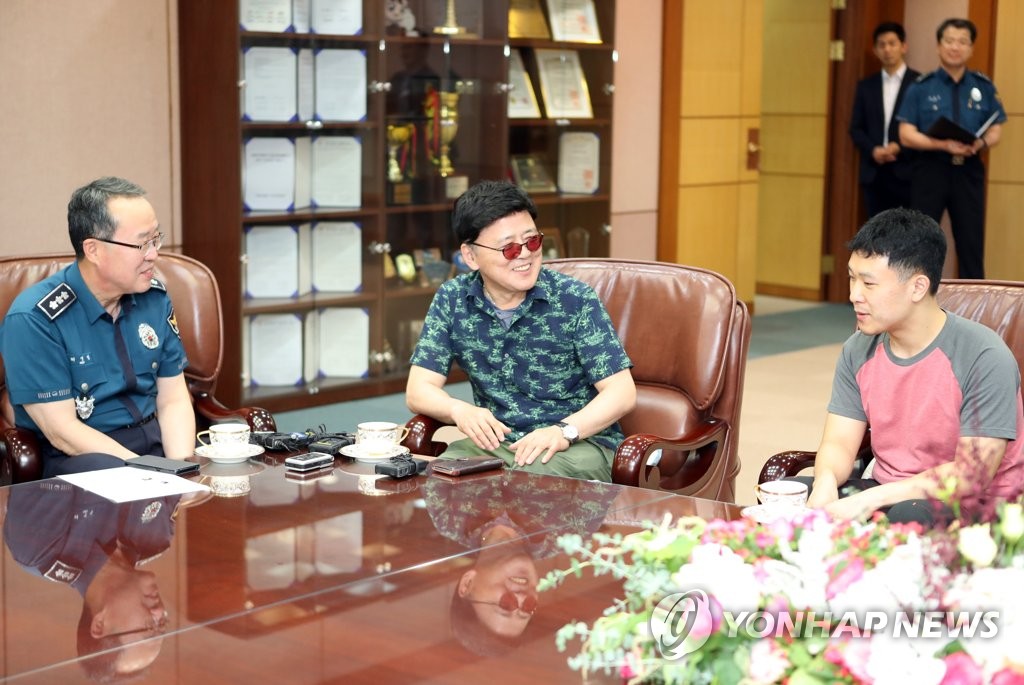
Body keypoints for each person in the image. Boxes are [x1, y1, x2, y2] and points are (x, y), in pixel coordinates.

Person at [405, 180, 636, 482]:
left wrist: (563, 431)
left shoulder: (574, 299)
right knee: (440, 480)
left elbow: (622, 393)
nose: (525, 254)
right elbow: (418, 390)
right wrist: (458, 410)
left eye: (532, 242)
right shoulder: (453, 299)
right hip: (500, 443)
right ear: (470, 256)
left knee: (527, 482)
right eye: (509, 248)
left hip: (578, 444)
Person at [804, 207, 1023, 524]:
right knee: (788, 494)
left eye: (869, 284)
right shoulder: (858, 349)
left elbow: (970, 476)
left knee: (909, 516)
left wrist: (870, 499)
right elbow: (839, 442)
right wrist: (824, 482)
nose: (854, 295)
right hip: (888, 493)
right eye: (852, 278)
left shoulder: (983, 356)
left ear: (918, 287)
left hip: (974, 507)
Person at [0, 177, 195, 478]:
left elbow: (173, 400)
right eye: (142, 243)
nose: (154, 254)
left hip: (154, 449)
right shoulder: (35, 318)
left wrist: (183, 469)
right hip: (81, 460)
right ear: (93, 250)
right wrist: (153, 473)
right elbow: (63, 432)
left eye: (156, 239)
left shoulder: (154, 299)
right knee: (107, 470)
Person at [4, 480, 182, 680]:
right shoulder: (156, 539)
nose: (159, 611)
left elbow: (54, 465)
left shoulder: (40, 549)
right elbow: (182, 469)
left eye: (149, 627)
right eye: (162, 624)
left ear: (100, 625)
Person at [897, 18, 1007, 279]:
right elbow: (906, 134)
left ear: (971, 48)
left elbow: (996, 129)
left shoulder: (983, 86)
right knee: (921, 241)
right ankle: (917, 296)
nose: (955, 47)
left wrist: (981, 142)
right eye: (949, 41)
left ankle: (975, 303)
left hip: (968, 171)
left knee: (971, 244)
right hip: (930, 170)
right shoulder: (921, 87)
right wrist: (942, 145)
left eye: (962, 42)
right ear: (938, 46)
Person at [849, 22, 919, 218]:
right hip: (874, 173)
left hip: (907, 172)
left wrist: (899, 147)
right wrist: (873, 150)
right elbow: (855, 128)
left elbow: (925, 128)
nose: (887, 49)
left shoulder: (919, 83)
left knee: (907, 231)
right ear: (875, 50)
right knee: (876, 232)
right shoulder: (866, 86)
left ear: (903, 46)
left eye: (892, 43)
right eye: (882, 45)